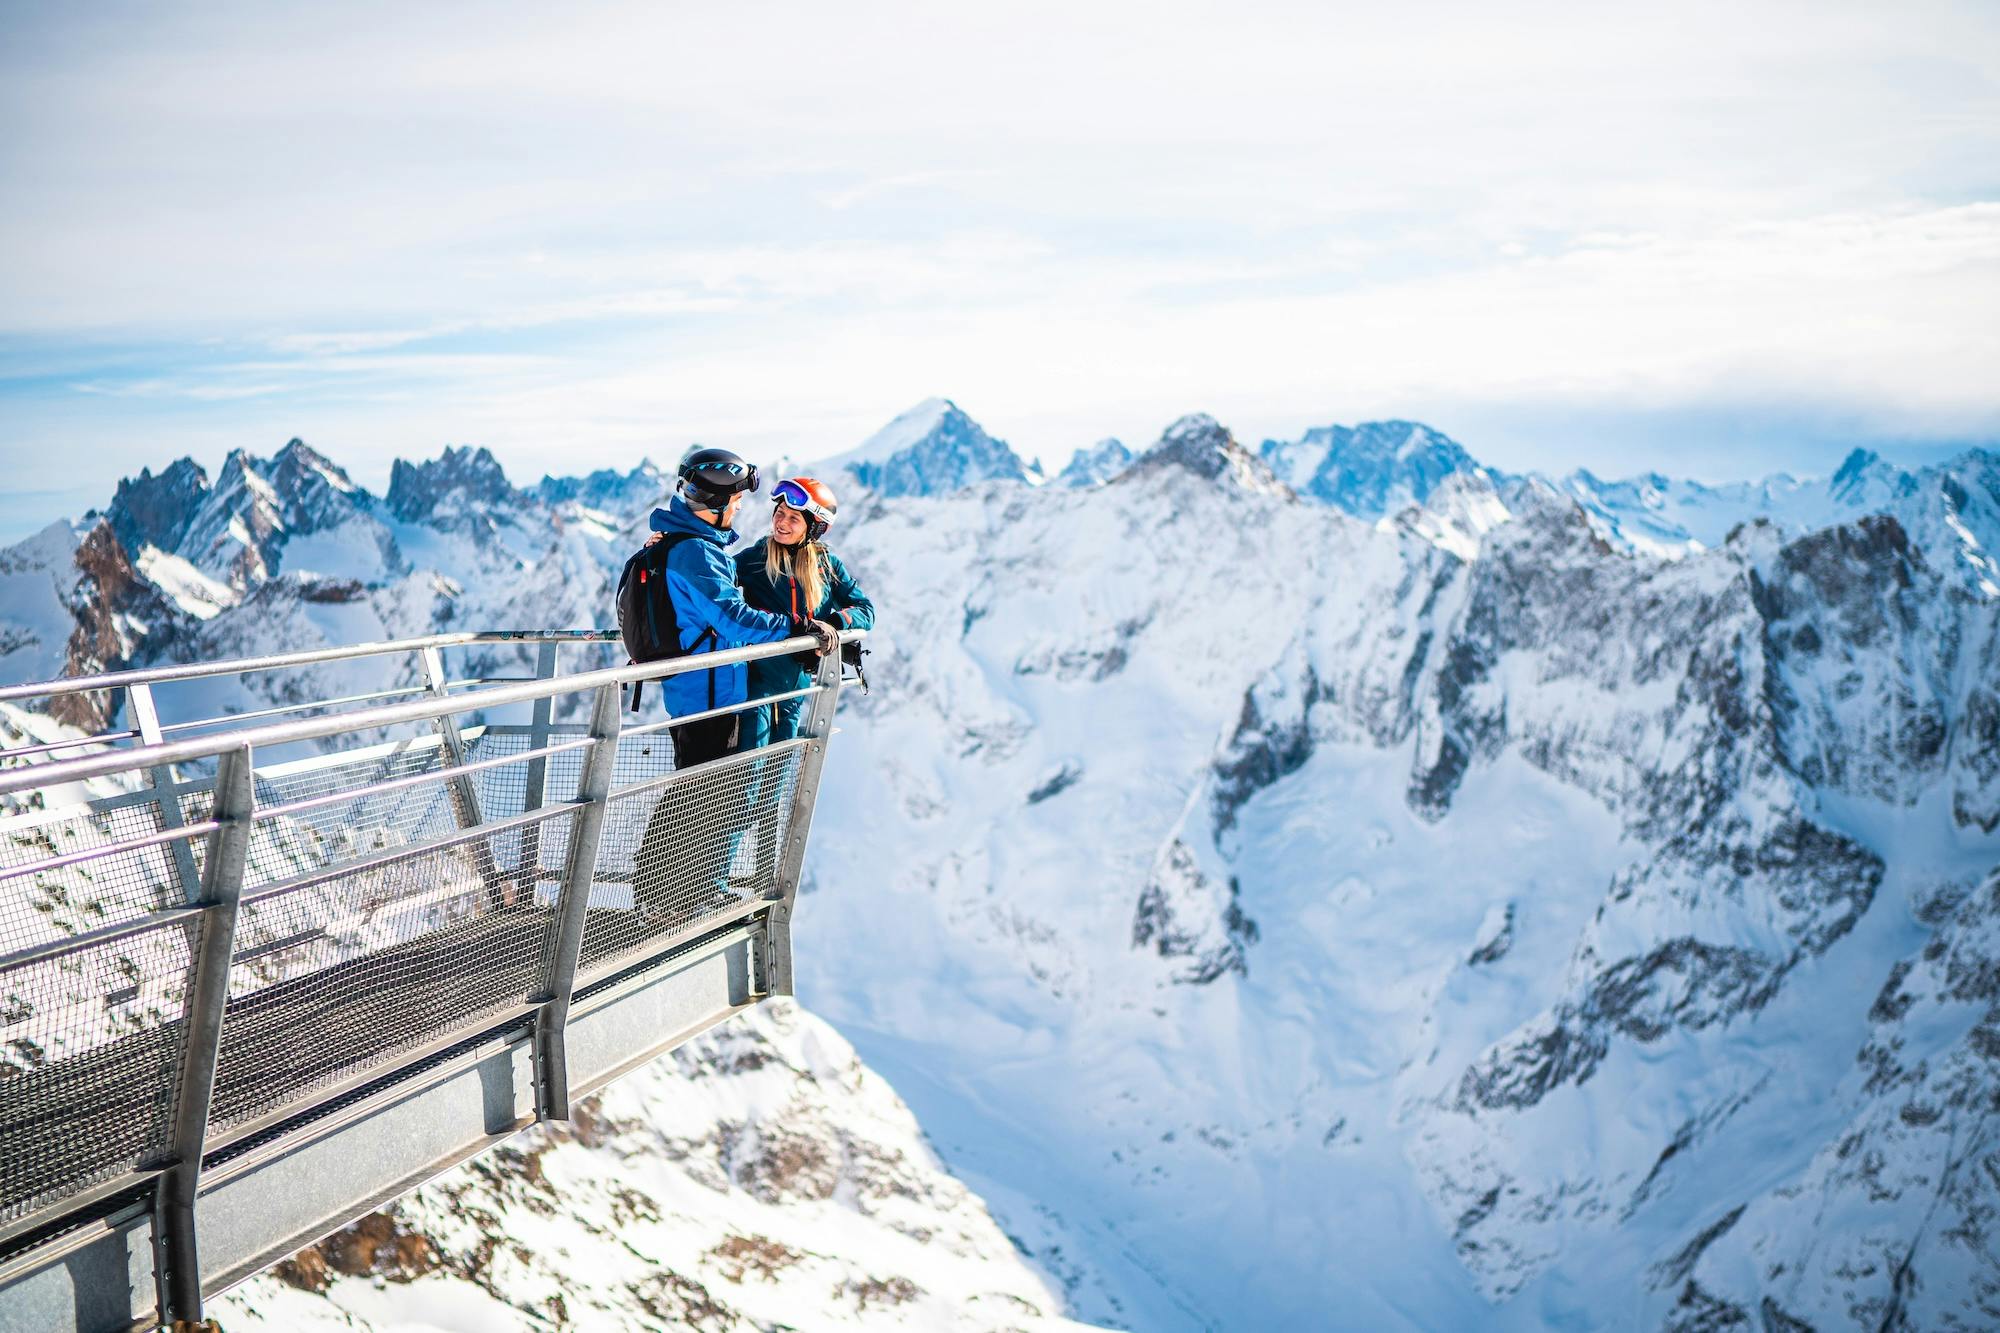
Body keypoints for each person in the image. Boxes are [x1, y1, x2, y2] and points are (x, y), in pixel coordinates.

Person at [630, 447, 837, 916]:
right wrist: (797, 627)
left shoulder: (685, 545)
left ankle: (666, 892)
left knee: (697, 794)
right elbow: (735, 620)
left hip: (702, 687)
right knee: (707, 800)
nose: (742, 509)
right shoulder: (694, 552)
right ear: (717, 502)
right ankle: (677, 895)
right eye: (737, 501)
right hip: (709, 694)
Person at [734, 476, 876, 750]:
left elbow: (865, 610)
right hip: (758, 680)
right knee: (751, 763)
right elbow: (713, 583)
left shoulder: (826, 564)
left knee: (781, 767)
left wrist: (833, 622)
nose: (781, 522)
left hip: (798, 684)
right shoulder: (755, 558)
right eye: (779, 513)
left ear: (814, 528)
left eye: (793, 518)